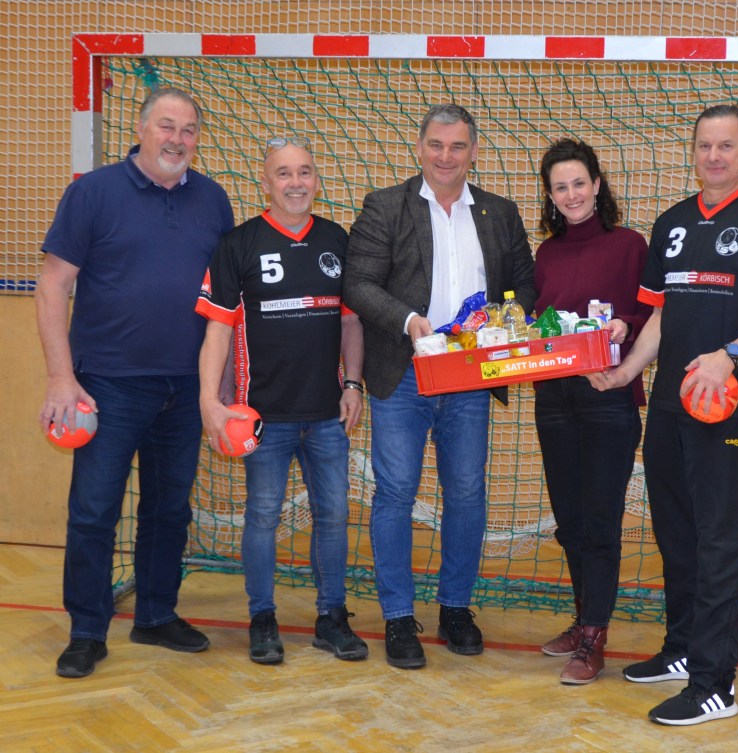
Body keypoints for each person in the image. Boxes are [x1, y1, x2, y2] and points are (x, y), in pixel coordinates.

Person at [589, 105, 738, 724]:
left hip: (729, 410)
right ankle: (684, 650)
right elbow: (661, 317)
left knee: (720, 542)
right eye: (704, 146)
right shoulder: (673, 223)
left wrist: (730, 356)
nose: (714, 156)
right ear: (694, 152)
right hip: (669, 406)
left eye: (726, 145)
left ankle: (716, 684)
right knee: (677, 534)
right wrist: (627, 372)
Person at [36, 87, 235, 678]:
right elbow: (52, 286)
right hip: (108, 385)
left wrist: (220, 384)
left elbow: (226, 302)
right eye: (167, 126)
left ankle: (155, 614)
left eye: (189, 129)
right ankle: (86, 630)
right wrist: (60, 378)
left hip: (187, 386)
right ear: (141, 129)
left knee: (170, 510)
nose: (178, 139)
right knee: (94, 511)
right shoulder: (92, 193)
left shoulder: (213, 199)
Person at [343, 104, 536, 669]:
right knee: (396, 493)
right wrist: (408, 320)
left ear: (474, 151)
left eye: (457, 146)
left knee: (468, 494)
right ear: (420, 147)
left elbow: (524, 286)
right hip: (402, 374)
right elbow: (358, 283)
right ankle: (399, 616)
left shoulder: (500, 213)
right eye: (436, 144)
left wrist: (502, 322)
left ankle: (455, 608)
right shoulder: (385, 206)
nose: (445, 156)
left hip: (471, 376)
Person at [195, 136, 368, 665]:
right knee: (263, 516)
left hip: (327, 415)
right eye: (285, 173)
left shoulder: (337, 239)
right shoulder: (238, 244)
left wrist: (353, 384)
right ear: (266, 182)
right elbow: (218, 330)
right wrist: (209, 400)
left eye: (305, 172)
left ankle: (332, 617)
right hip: (261, 416)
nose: (296, 182)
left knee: (333, 515)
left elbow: (351, 323)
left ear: (317, 179)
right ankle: (262, 618)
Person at [531, 139, 651, 684]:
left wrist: (626, 323)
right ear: (550, 196)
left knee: (600, 523)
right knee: (571, 522)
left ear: (597, 185)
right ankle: (584, 621)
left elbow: (651, 314)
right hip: (554, 399)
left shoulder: (630, 245)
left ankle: (595, 638)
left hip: (609, 397)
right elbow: (538, 325)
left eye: (579, 183)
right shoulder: (547, 254)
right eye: (560, 187)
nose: (571, 194)